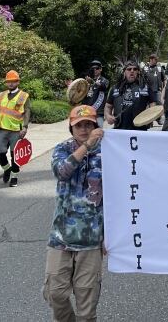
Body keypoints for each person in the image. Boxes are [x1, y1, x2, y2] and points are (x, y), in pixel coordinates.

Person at [45, 105, 105, 322]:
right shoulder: (62, 149)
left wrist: (110, 234)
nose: (84, 129)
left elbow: (117, 196)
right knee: (55, 293)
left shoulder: (108, 153)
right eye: (79, 125)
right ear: (71, 128)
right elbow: (61, 172)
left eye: (88, 124)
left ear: (95, 126)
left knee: (87, 306)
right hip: (60, 237)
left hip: (91, 240)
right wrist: (87, 147)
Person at [0, 70, 30, 187]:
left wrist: (25, 127)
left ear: (18, 82)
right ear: (6, 83)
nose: (11, 84)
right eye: (9, 82)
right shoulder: (0, 95)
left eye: (13, 81)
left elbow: (27, 112)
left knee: (15, 155)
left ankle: (14, 177)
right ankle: (7, 169)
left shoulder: (24, 96)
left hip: (16, 131)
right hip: (2, 129)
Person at [105, 61, 159, 130]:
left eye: (135, 69)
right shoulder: (115, 88)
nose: (132, 71)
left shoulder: (145, 87)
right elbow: (108, 106)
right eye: (129, 69)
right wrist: (108, 116)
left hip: (140, 128)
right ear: (124, 71)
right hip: (119, 128)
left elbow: (153, 103)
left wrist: (150, 116)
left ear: (138, 72)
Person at [83, 60, 109, 127]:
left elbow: (103, 86)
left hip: (98, 113)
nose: (95, 70)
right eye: (93, 69)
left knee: (98, 134)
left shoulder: (104, 80)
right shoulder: (86, 82)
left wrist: (92, 82)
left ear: (101, 69)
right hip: (87, 112)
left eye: (97, 68)